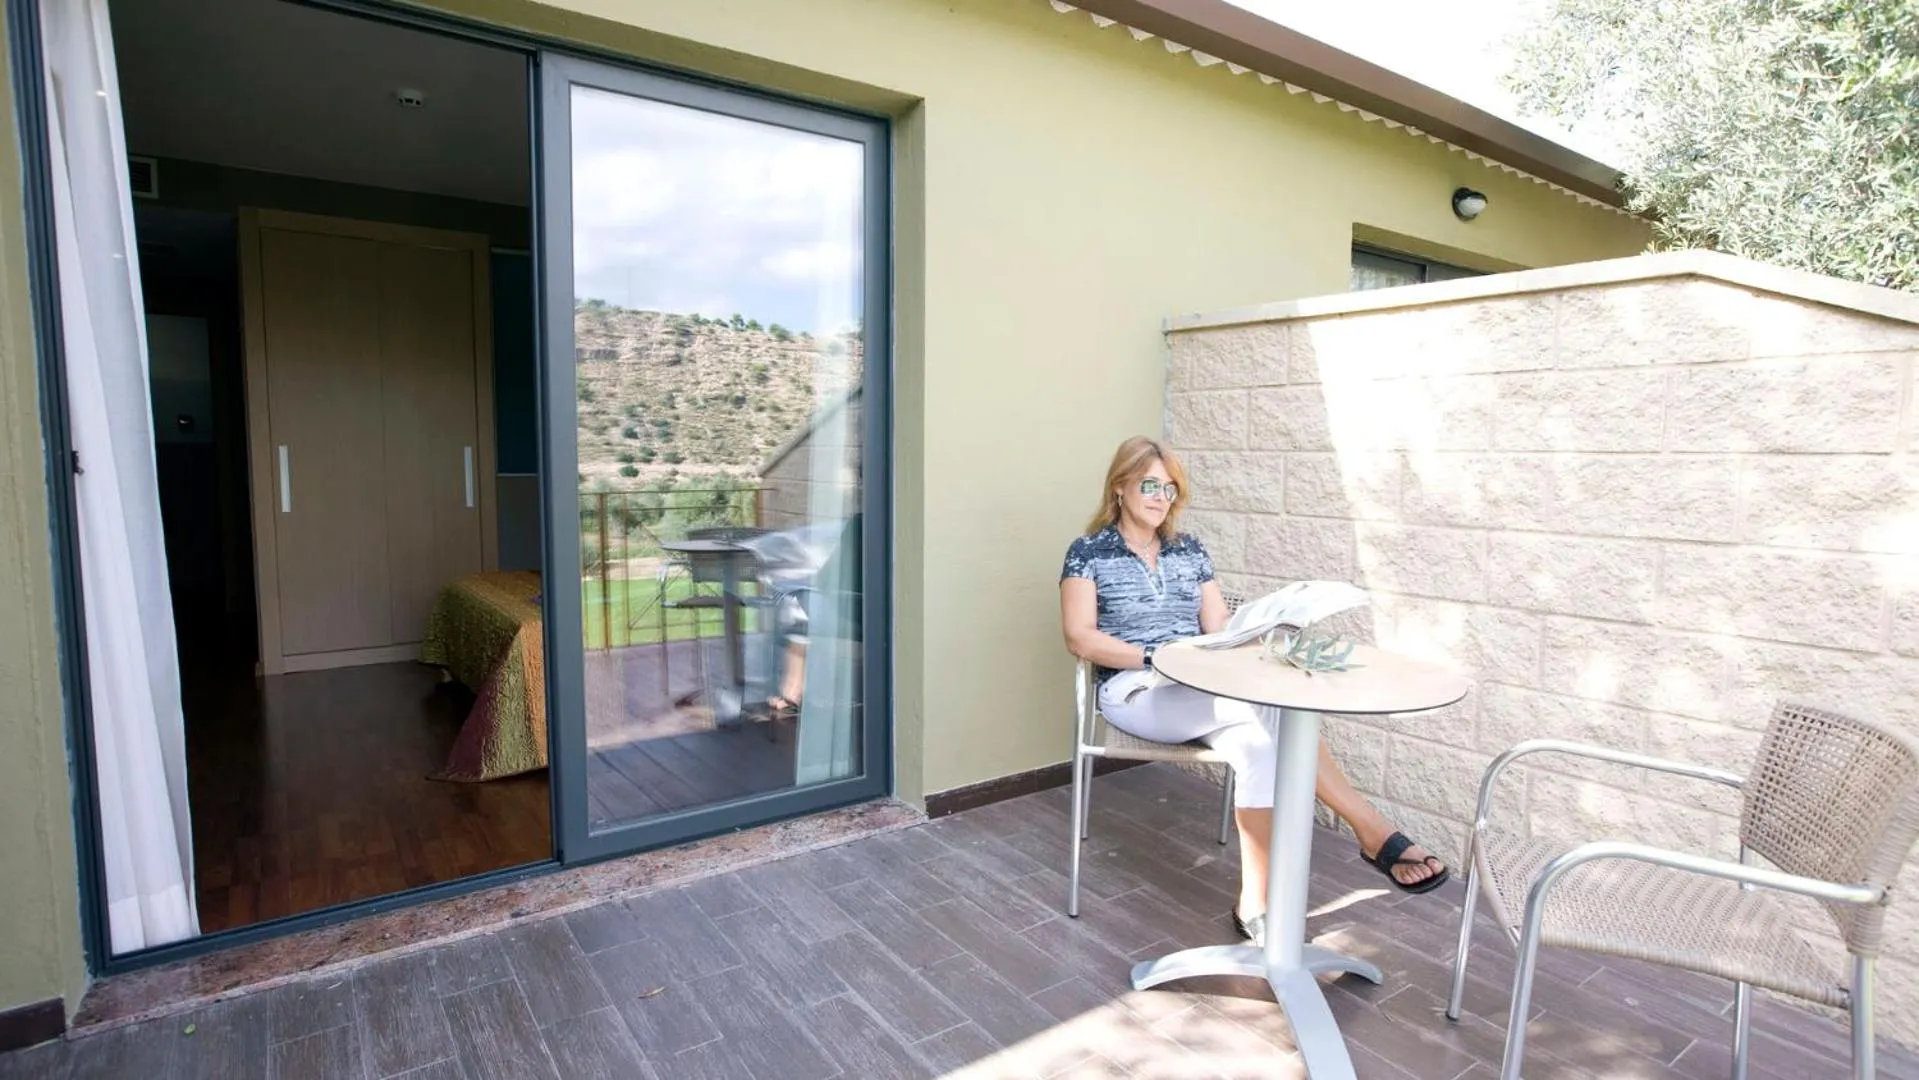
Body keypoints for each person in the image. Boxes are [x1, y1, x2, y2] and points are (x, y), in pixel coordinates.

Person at [1058, 436, 1448, 945]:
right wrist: (1157, 656)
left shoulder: (1189, 550)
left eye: (1170, 489)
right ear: (1121, 487)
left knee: (1261, 743)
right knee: (1268, 707)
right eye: (1149, 485)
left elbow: (1217, 625)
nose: (1159, 498)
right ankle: (1372, 831)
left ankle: (1256, 903)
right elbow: (1079, 638)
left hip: (1203, 687)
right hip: (1137, 689)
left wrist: (1264, 626)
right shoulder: (1088, 553)